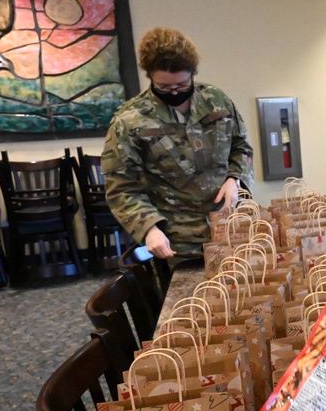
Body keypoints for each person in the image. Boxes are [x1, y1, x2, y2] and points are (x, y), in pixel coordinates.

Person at [101, 27, 254, 260]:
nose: (174, 93)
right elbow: (121, 187)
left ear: (193, 73)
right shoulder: (130, 120)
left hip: (233, 227)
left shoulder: (216, 101)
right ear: (150, 76)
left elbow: (241, 147)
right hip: (179, 242)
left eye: (182, 86)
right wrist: (149, 228)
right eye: (164, 87)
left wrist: (235, 179)